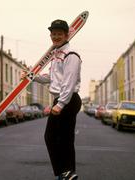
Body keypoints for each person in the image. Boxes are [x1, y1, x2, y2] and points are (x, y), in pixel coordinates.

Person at [23, 19, 82, 180]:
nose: (55, 36)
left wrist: (61, 104)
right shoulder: (56, 55)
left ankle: (67, 172)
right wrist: (32, 77)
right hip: (62, 99)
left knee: (58, 137)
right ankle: (66, 172)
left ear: (66, 35)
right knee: (58, 137)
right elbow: (51, 78)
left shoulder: (71, 54)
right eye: (53, 34)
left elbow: (69, 82)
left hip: (68, 100)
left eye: (59, 34)